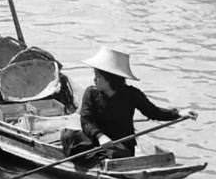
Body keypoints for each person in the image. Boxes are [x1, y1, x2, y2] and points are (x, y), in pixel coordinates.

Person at [62, 47, 196, 161]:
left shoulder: (132, 94)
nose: (94, 79)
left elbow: (153, 112)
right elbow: (86, 121)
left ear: (110, 79)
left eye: (98, 76)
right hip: (96, 140)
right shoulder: (91, 92)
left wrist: (178, 113)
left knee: (118, 155)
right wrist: (101, 137)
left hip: (120, 143)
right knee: (69, 136)